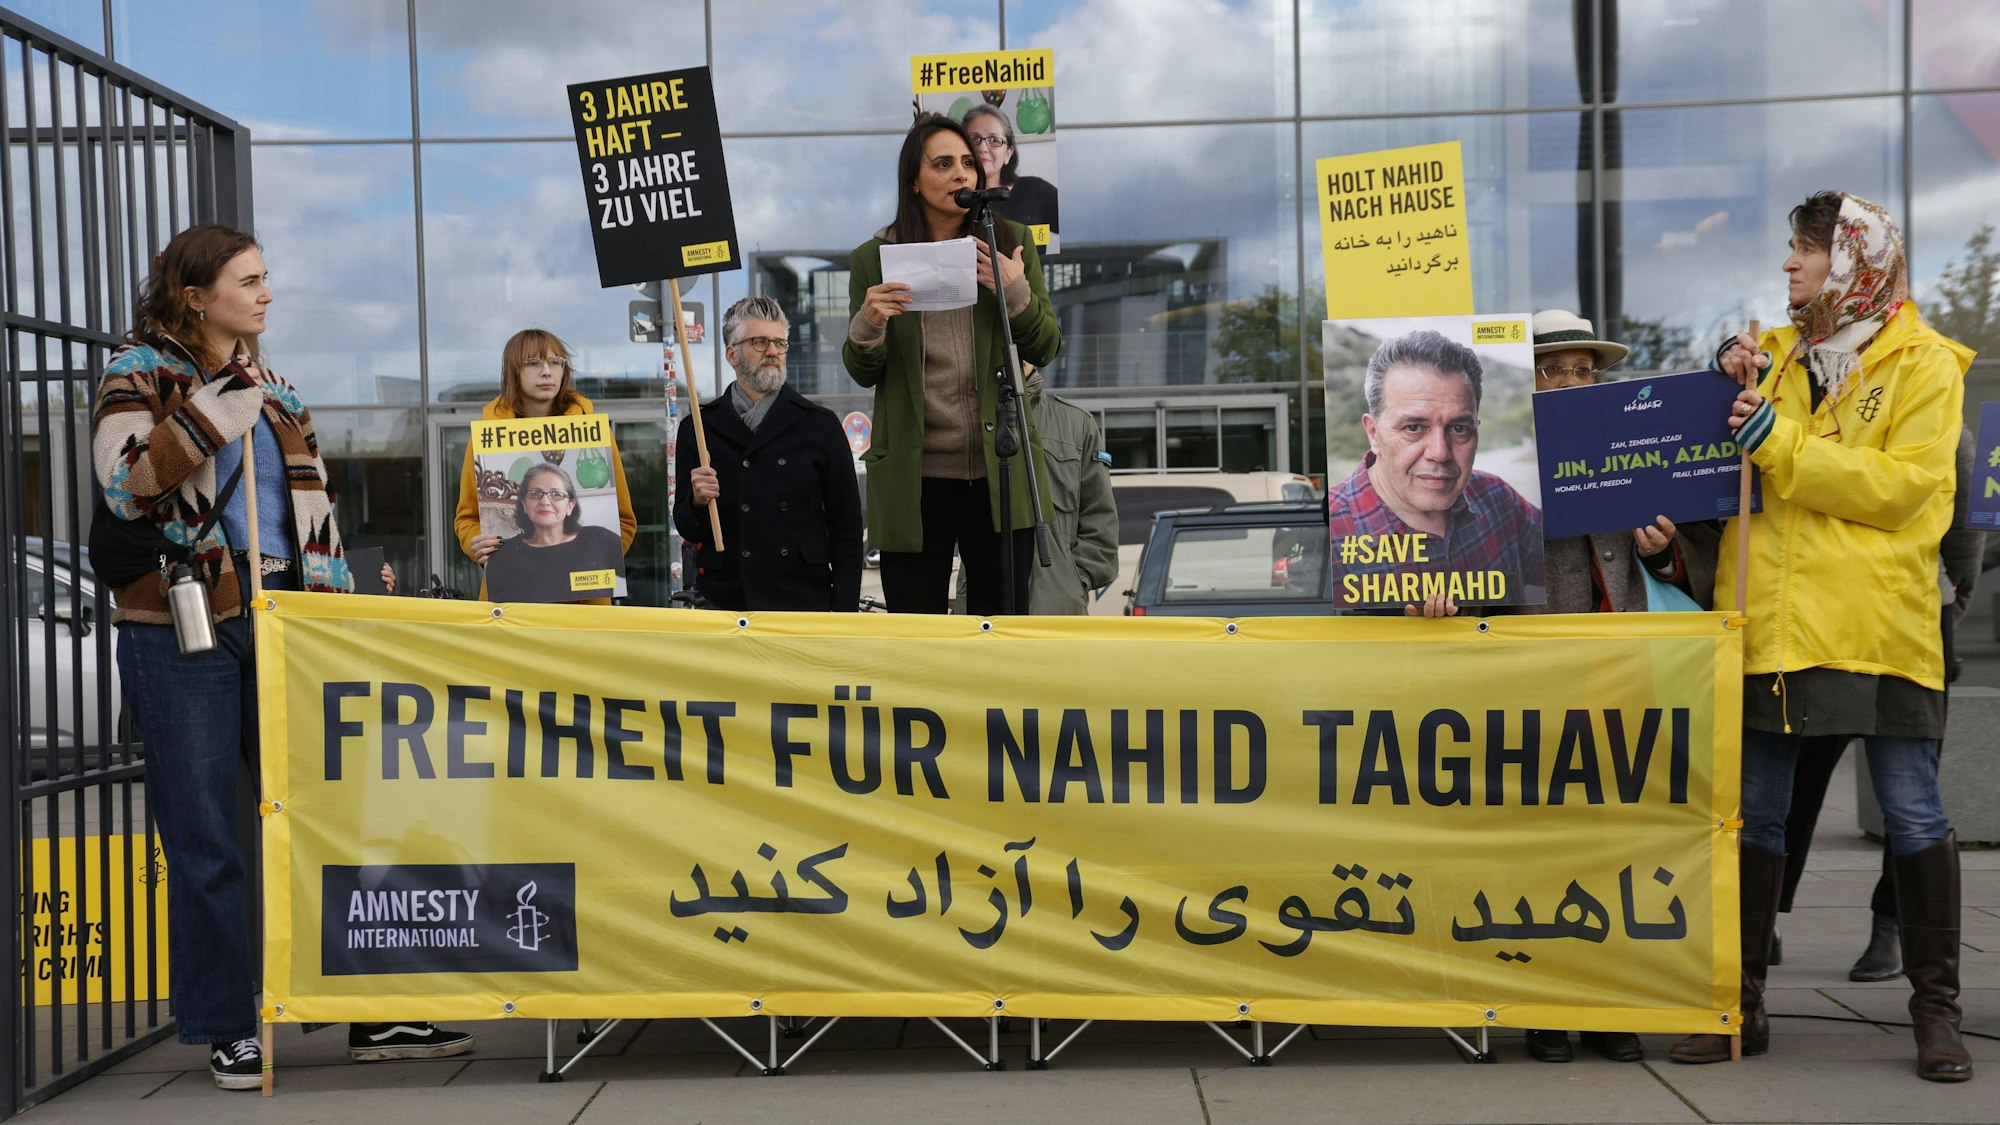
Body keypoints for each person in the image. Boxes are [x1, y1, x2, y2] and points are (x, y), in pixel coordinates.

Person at [91, 225, 472, 1090]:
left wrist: (333, 615)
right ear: (196, 295)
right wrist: (210, 408)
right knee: (207, 833)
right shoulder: (136, 372)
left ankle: (368, 1010)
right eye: (248, 280)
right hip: (181, 624)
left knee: (327, 814)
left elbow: (317, 516)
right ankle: (231, 1023)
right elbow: (125, 483)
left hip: (287, 619)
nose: (266, 294)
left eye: (266, 279)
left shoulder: (279, 387)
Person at [1669, 192, 1973, 1083]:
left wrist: (1782, 443)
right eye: (1791, 251)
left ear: (1851, 263)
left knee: (1914, 813)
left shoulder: (1925, 363)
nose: (1791, 265)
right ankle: (1742, 1003)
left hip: (1879, 630)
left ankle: (1936, 1014)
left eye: (1805, 251)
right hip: (1770, 625)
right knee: (1754, 816)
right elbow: (1706, 456)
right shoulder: (1769, 357)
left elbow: (1907, 490)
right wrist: (1713, 375)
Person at [1516, 310, 1720, 1065]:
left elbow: (1696, 548)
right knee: (1545, 842)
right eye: (1554, 369)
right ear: (1525, 379)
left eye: (1582, 370)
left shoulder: (1636, 446)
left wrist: (1663, 550)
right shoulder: (1501, 456)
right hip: (1535, 674)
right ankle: (1547, 1006)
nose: (1571, 382)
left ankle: (1610, 1003)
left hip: (1624, 670)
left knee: (1620, 845)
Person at [1772, 424, 1983, 982]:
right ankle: (1765, 917)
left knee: (1910, 790)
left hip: (1905, 608)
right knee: (1792, 778)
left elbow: (1964, 519)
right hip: (1812, 610)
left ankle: (1891, 927)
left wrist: (1950, 601)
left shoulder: (1930, 397)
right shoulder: (1798, 395)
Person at [844, 112, 1063, 615]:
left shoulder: (1011, 242)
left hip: (1001, 470)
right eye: (943, 164)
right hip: (916, 477)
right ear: (914, 182)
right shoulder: (873, 257)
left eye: (968, 162)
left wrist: (1015, 292)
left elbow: (1046, 346)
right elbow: (862, 371)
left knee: (1003, 632)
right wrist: (869, 324)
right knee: (917, 633)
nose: (962, 174)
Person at [1326, 328, 1545, 611]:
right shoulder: (1328, 532)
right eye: (1414, 428)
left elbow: (1566, 569)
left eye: (1459, 428)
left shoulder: (1498, 499)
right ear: (1372, 433)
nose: (1440, 452)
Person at [676, 296, 864, 611]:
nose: (773, 352)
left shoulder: (819, 425)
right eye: (760, 342)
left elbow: (846, 527)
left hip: (803, 601)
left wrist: (844, 613)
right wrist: (696, 502)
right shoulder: (697, 427)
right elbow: (687, 527)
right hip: (727, 601)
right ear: (732, 354)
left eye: (780, 343)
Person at [453, 328, 636, 602]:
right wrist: (476, 543)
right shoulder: (486, 438)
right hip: (511, 605)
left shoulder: (592, 434)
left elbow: (623, 520)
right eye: (534, 363)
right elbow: (467, 519)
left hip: (584, 608)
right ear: (513, 371)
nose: (547, 371)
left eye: (556, 362)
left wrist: (590, 563)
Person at [1025, 366, 1117, 613]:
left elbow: (1100, 521)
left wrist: (1072, 581)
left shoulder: (1076, 423)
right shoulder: (967, 420)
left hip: (1055, 610)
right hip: (981, 613)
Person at [482, 462, 626, 603]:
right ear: (524, 504)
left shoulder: (598, 539)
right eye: (535, 493)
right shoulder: (503, 554)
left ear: (570, 505)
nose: (545, 501)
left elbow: (637, 572)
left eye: (556, 494)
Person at [962, 104, 1058, 239]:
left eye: (994, 140)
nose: (983, 148)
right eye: (974, 139)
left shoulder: (1034, 190)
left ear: (1008, 153)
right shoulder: (953, 198)